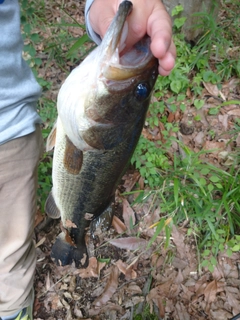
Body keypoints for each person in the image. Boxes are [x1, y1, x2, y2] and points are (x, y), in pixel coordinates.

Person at [0, 0, 176, 319]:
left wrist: (99, 7)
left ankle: (13, 309)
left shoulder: (81, 130)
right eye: (140, 91)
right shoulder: (85, 128)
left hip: (8, 130)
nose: (138, 85)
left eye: (139, 92)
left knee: (10, 250)